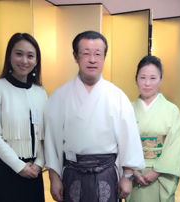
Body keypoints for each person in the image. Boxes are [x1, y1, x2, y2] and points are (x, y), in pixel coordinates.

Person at [44, 30, 145, 202]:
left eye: (98, 54)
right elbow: (51, 142)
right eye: (86, 54)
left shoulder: (118, 96)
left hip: (106, 174)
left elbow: (130, 139)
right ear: (75, 56)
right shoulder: (59, 96)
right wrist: (54, 178)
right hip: (72, 172)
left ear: (104, 57)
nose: (92, 59)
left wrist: (127, 177)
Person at [0, 33, 47, 202]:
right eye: (19, 54)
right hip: (7, 171)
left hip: (34, 171)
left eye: (30, 56)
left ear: (36, 60)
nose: (24, 61)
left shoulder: (40, 92)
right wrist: (19, 167)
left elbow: (45, 135)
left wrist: (39, 164)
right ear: (9, 56)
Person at [126, 55, 180, 202]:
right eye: (142, 78)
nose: (147, 83)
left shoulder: (172, 110)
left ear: (160, 80)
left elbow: (176, 146)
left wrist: (157, 171)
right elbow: (121, 143)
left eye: (153, 78)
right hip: (134, 172)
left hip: (161, 174)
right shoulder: (127, 109)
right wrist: (133, 171)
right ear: (136, 79)